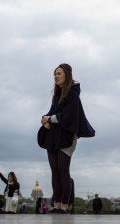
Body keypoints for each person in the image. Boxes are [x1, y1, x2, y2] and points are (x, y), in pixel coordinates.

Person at [37, 63, 95, 214]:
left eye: (59, 73)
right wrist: (44, 119)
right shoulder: (57, 95)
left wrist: (50, 119)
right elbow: (52, 113)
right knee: (54, 170)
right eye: (55, 74)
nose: (56, 76)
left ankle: (64, 205)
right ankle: (56, 204)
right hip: (54, 137)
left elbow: (69, 116)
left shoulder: (73, 94)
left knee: (63, 169)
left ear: (67, 75)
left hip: (67, 136)